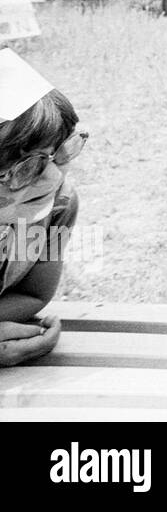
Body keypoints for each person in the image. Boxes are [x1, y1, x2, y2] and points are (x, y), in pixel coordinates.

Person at [0, 48, 84, 366]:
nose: (53, 177)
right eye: (26, 166)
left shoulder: (58, 207)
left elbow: (33, 295)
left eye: (61, 151)